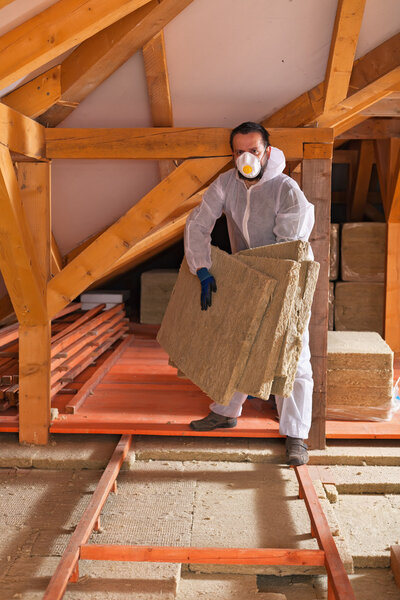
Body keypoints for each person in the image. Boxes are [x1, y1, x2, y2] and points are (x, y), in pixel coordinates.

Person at [184, 122, 315, 466]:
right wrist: (201, 266)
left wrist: (269, 283)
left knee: (293, 352)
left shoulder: (286, 189)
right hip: (250, 275)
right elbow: (199, 223)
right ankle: (226, 412)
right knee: (239, 340)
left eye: (253, 151)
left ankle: (297, 434)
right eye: (239, 151)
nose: (246, 158)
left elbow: (288, 242)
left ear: (267, 152)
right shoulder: (227, 184)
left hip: (287, 274)